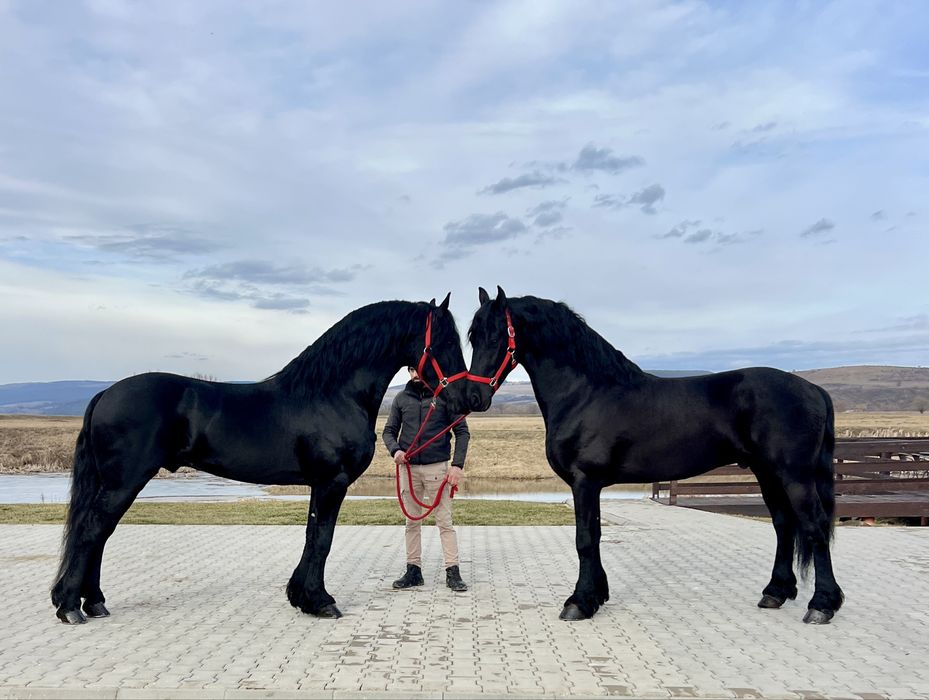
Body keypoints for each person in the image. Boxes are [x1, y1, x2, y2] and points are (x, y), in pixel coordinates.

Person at [383, 365, 470, 592]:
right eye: (412, 370)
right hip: (408, 469)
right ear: (409, 372)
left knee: (445, 522)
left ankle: (453, 572)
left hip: (438, 470)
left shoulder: (445, 397)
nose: (416, 375)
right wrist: (395, 451)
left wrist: (457, 466)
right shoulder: (401, 399)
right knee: (411, 522)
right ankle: (414, 571)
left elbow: (462, 432)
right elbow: (388, 431)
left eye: (419, 370)